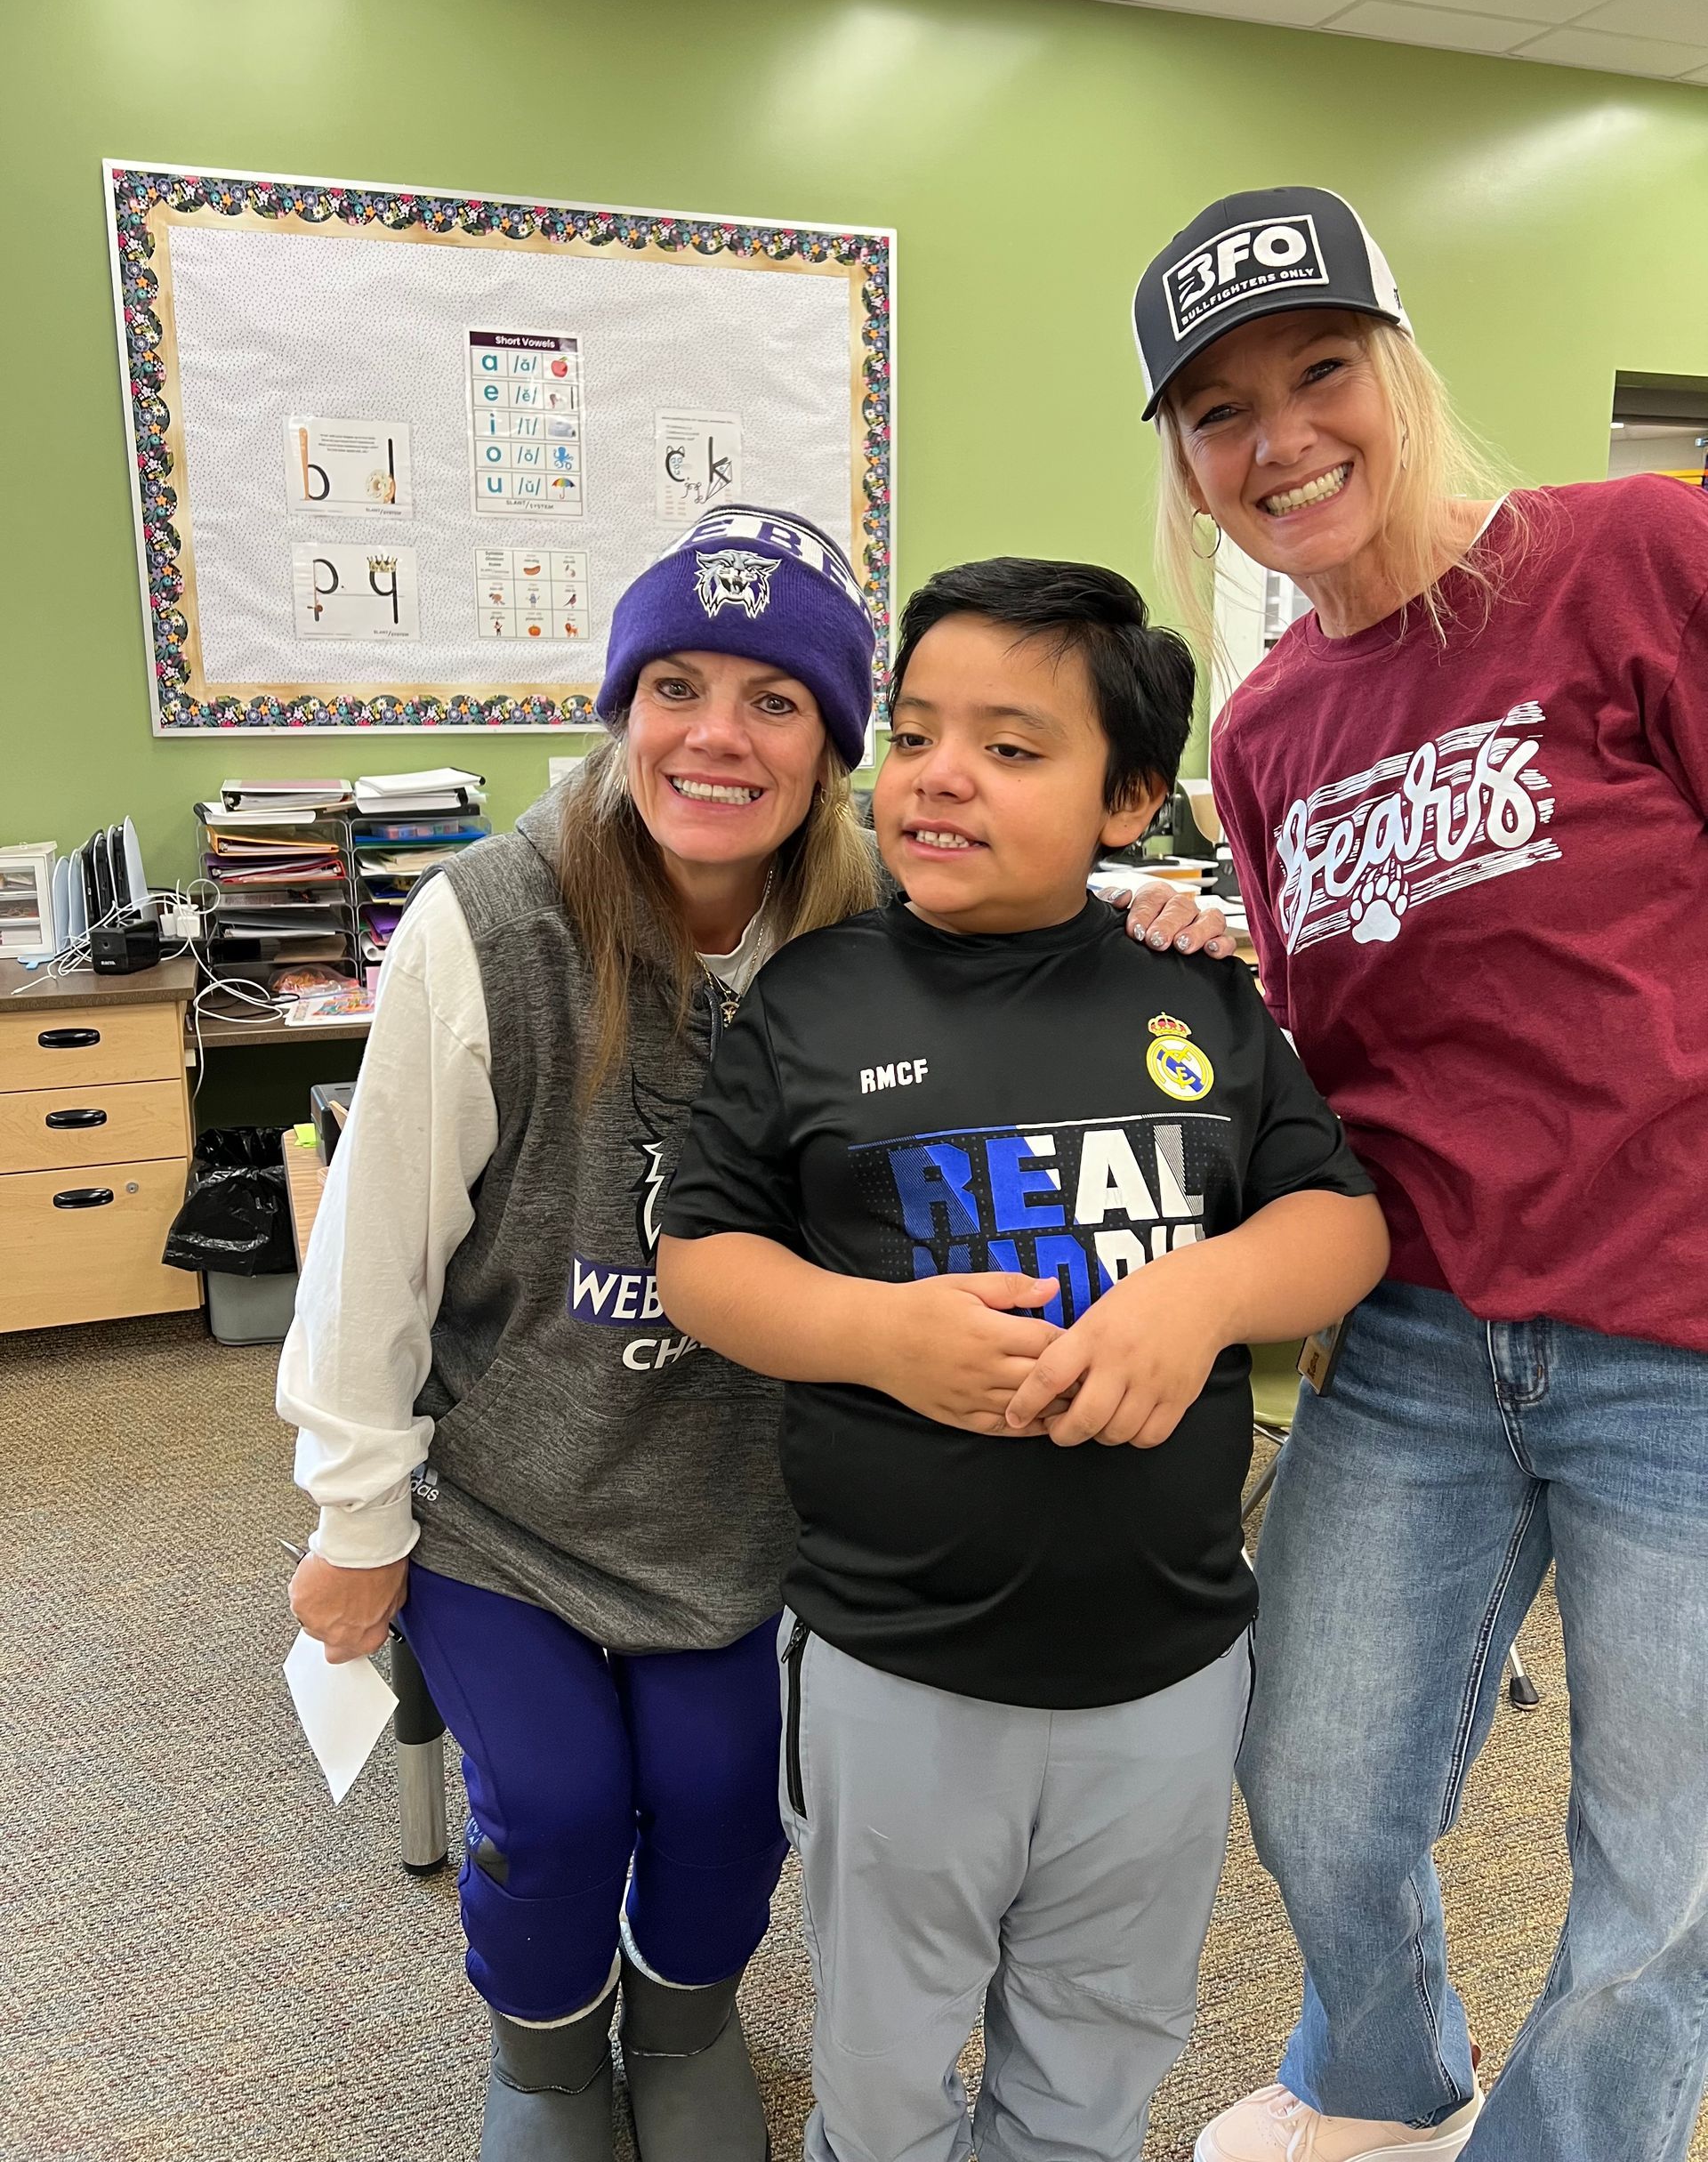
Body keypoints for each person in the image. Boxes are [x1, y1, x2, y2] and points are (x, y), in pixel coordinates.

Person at [278, 506, 1214, 2162]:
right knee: (557, 1810)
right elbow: (373, 1265)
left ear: (834, 745)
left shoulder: (876, 928)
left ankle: (686, 2022)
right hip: (514, 1511)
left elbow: (1041, 941)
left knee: (725, 1813)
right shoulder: (487, 925)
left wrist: (1161, 920)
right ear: (622, 705)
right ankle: (549, 2060)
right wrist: (354, 1517)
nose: (717, 734)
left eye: (777, 699)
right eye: (675, 686)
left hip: (753, 1516)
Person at [656, 555, 1389, 2162]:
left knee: (1106, 2026)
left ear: (1130, 798)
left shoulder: (1191, 990)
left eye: (1011, 744)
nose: (940, 775)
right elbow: (700, 1260)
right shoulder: (814, 998)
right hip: (896, 1654)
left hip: (1169, 1661)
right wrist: (872, 1333)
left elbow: (1340, 1225)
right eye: (914, 732)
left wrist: (1198, 1297)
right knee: (886, 2028)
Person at [1133, 185, 1708, 2162]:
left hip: (1684, 1342)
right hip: (1416, 1334)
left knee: (1664, 1876)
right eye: (1219, 413)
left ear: (1399, 370)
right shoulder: (1272, 727)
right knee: (1314, 1776)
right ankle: (1380, 2085)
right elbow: (1342, 1033)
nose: (1279, 436)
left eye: (1317, 373)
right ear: (1189, 472)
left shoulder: (1637, 554)